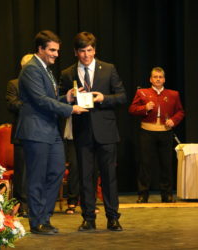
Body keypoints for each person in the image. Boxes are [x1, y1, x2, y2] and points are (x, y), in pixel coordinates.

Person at [15, 30, 87, 235]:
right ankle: (36, 221)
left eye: (57, 50)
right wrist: (70, 109)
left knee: (56, 172)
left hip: (51, 130)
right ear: (40, 49)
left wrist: (68, 97)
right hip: (36, 130)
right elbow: (40, 100)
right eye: (52, 50)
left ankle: (45, 218)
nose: (56, 54)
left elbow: (50, 99)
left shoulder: (45, 68)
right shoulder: (31, 69)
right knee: (37, 177)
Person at [60, 31, 126, 231]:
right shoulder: (67, 73)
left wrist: (103, 98)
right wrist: (69, 97)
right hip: (82, 131)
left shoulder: (108, 69)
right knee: (85, 177)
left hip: (105, 131)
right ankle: (88, 218)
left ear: (94, 50)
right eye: (82, 51)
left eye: (89, 50)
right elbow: (59, 99)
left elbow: (122, 97)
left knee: (108, 177)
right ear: (75, 52)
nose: (86, 55)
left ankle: (113, 217)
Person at [129, 67, 184, 203]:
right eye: (155, 77)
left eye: (160, 77)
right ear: (150, 79)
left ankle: (167, 195)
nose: (158, 79)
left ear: (164, 79)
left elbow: (180, 112)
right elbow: (132, 109)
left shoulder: (173, 94)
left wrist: (173, 120)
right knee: (145, 164)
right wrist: (144, 108)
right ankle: (143, 194)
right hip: (147, 132)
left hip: (165, 133)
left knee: (166, 164)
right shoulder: (142, 93)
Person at [6, 53, 33, 217]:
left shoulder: (42, 83)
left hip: (41, 132)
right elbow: (12, 104)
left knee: (37, 170)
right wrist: (32, 103)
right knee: (22, 172)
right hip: (22, 133)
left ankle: (36, 203)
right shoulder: (14, 84)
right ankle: (22, 205)